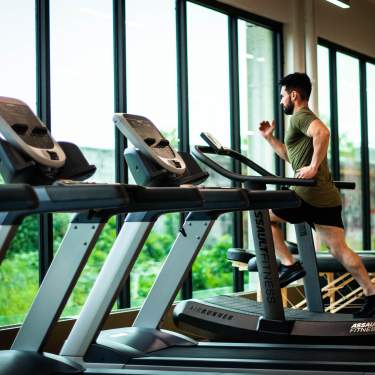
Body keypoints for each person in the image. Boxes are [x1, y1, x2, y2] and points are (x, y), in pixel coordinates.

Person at [259, 72, 375, 318]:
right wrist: (270, 139)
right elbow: (292, 157)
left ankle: (290, 265)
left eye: (282, 96)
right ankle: (371, 294)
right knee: (339, 250)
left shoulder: (301, 116)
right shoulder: (301, 122)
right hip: (326, 197)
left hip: (306, 194)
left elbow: (323, 133)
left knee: (264, 216)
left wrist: (312, 168)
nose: (281, 102)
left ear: (294, 95)